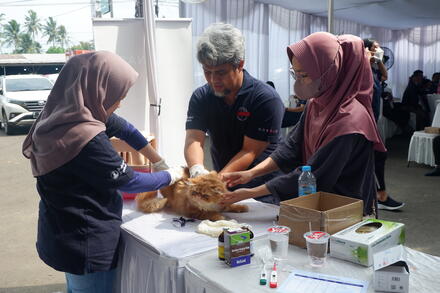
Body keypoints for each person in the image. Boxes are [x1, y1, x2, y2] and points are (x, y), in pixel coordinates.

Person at [22, 51, 183, 293]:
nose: (120, 102)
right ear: (97, 89)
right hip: (84, 242)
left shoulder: (62, 113)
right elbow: (129, 181)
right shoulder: (85, 136)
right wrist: (172, 175)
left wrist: (157, 160)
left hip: (60, 232)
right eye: (118, 96)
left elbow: (126, 129)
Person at [221, 32, 386, 216]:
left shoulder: (351, 120)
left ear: (329, 71)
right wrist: (250, 174)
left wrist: (251, 192)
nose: (298, 81)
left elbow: (315, 175)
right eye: (295, 73)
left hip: (344, 209)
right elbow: (292, 148)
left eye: (304, 75)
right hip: (318, 203)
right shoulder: (317, 102)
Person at [184, 23, 285, 205]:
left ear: (239, 64)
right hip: (225, 186)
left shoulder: (265, 99)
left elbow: (249, 151)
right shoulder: (201, 96)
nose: (214, 80)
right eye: (207, 72)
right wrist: (197, 170)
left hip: (263, 191)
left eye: (221, 72)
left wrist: (213, 183)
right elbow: (194, 139)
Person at [363, 38, 404, 211]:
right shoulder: (361, 67)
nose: (379, 50)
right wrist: (367, 57)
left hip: (372, 119)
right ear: (365, 50)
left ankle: (376, 195)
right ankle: (379, 195)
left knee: (375, 156)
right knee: (376, 156)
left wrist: (378, 59)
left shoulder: (375, 69)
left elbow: (385, 76)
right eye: (375, 47)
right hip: (363, 121)